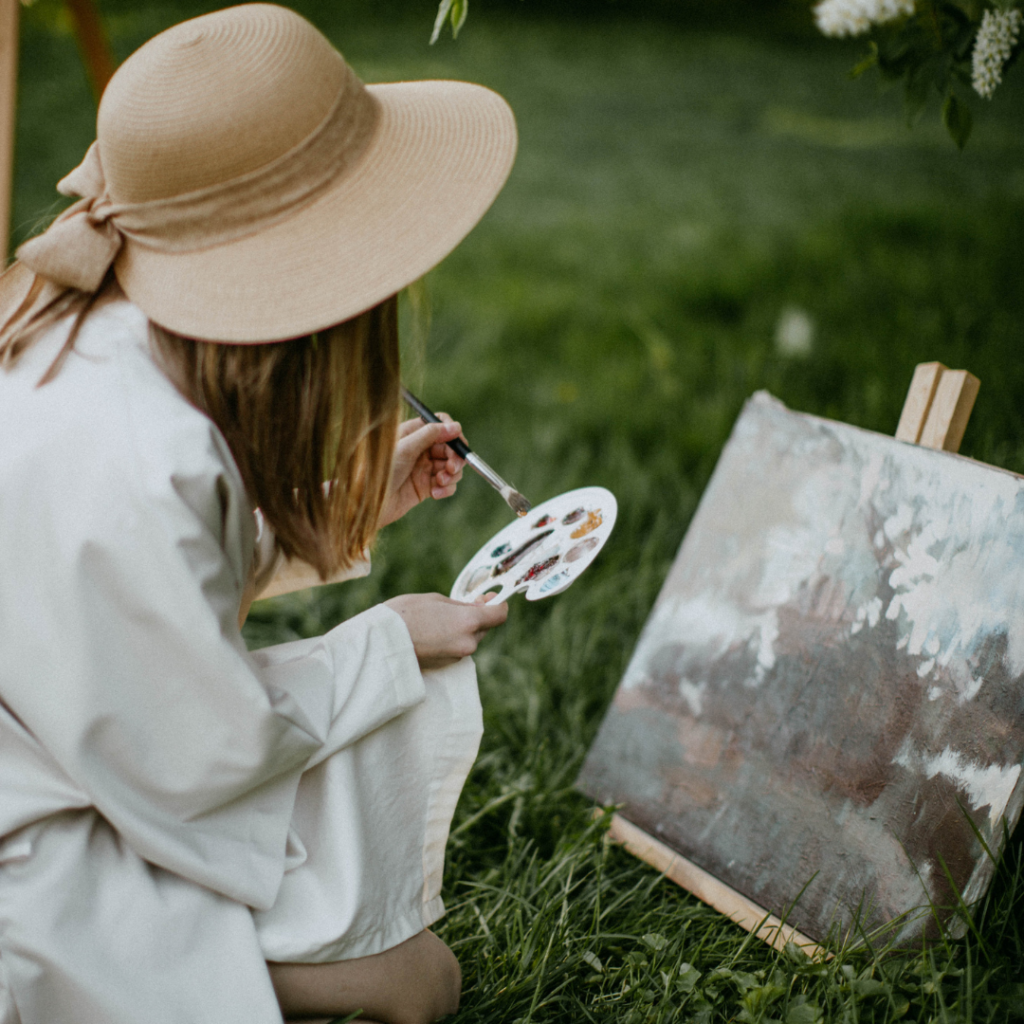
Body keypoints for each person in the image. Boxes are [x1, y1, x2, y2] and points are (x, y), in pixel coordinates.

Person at [0, 5, 517, 1023]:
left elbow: (133, 597)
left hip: (66, 740)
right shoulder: (144, 450)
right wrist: (388, 644)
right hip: (43, 843)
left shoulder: (84, 333)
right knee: (422, 985)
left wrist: (336, 512)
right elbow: (196, 758)